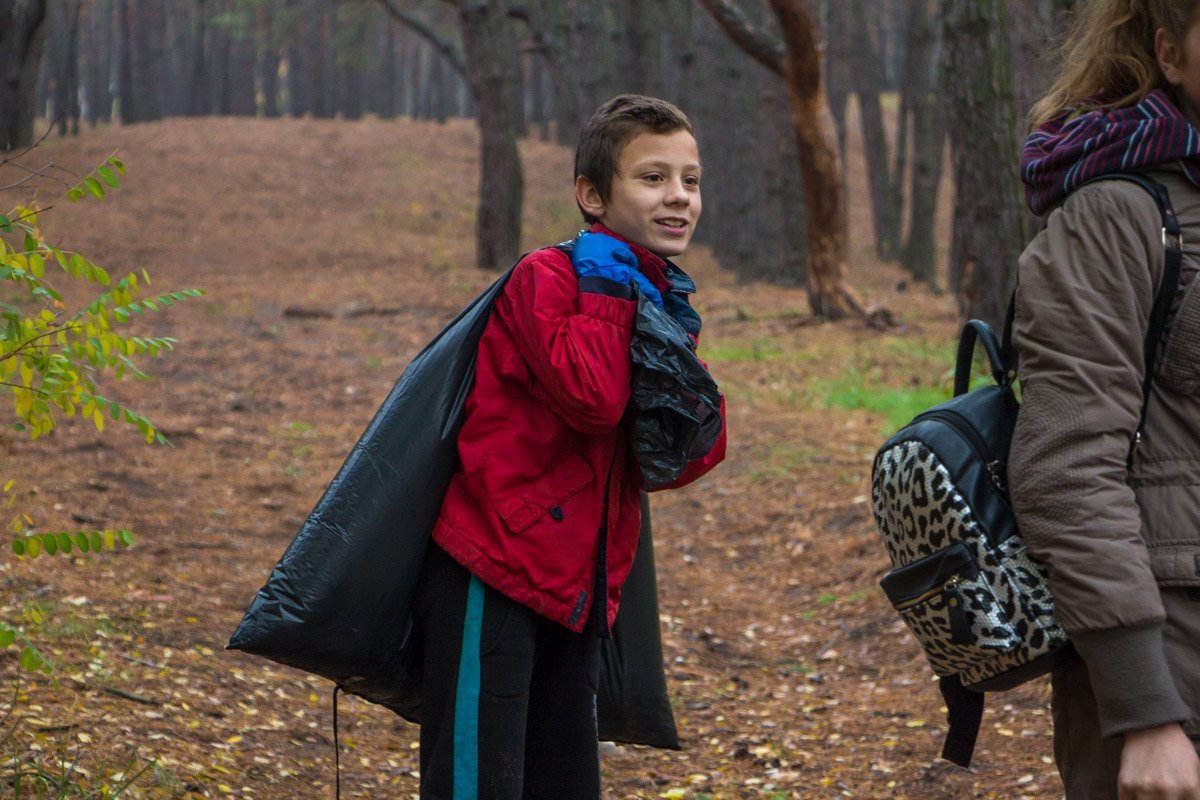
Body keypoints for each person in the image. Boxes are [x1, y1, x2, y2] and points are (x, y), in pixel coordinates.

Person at [409, 94, 726, 799]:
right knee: (478, 783)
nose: (679, 196)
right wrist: (610, 285)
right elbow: (593, 398)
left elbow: (677, 457)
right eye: (653, 178)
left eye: (691, 180)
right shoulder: (548, 277)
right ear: (592, 195)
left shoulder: (653, 295)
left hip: (578, 588)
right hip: (493, 571)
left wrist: (667, 341)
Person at [1013, 1, 1200, 797]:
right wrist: (1146, 711)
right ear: (1170, 55)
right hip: (1175, 667)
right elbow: (1067, 464)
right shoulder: (1118, 213)